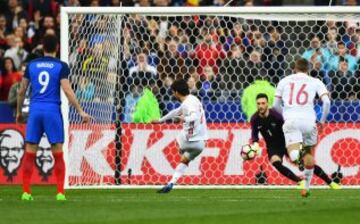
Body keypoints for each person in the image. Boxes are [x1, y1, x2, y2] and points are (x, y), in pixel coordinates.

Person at [16, 34, 91, 201]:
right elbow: (67, 90)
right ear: (57, 47)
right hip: (52, 112)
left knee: (30, 153)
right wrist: (80, 110)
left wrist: (19, 112)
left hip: (35, 111)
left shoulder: (31, 65)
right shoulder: (61, 66)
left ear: (43, 48)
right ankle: (60, 193)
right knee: (57, 152)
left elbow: (21, 91)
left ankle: (26, 192)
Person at [251, 93, 340, 189]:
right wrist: (255, 145)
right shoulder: (255, 119)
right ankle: (300, 181)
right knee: (275, 161)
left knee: (307, 161)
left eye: (263, 103)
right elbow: (254, 135)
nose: (261, 106)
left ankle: (330, 182)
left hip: (288, 141)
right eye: (258, 103)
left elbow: (290, 126)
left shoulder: (276, 116)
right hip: (273, 146)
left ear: (267, 104)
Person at [273, 59, 331, 197]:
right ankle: (306, 188)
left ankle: (299, 156)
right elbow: (327, 102)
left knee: (294, 154)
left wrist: (286, 115)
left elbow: (275, 105)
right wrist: (322, 121)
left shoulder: (284, 81)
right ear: (308, 69)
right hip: (309, 122)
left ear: (294, 68)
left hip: (291, 120)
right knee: (309, 156)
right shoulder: (315, 81)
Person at [153, 79, 208, 193]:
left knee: (178, 141)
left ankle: (181, 148)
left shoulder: (188, 104)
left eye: (173, 92)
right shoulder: (193, 99)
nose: (173, 94)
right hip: (201, 144)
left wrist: (184, 118)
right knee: (184, 160)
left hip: (189, 141)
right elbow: (176, 111)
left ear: (176, 92)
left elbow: (194, 117)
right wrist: (160, 120)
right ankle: (171, 183)